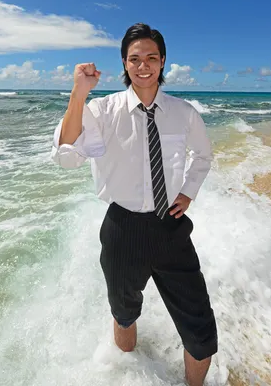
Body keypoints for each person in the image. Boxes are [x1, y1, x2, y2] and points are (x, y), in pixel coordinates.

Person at [51, 23, 218, 386]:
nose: (143, 66)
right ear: (125, 64)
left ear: (163, 62)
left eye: (151, 58)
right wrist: (78, 95)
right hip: (122, 229)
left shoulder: (183, 112)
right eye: (134, 59)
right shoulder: (102, 111)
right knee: (124, 314)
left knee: (201, 328)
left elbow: (202, 156)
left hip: (171, 228)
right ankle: (128, 376)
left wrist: (187, 192)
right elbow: (66, 157)